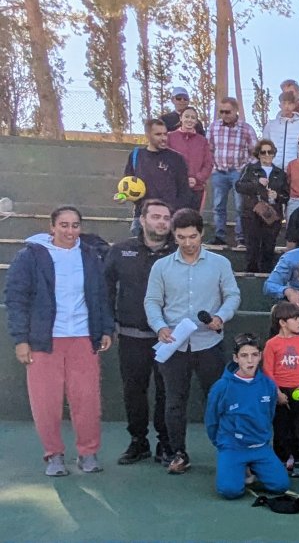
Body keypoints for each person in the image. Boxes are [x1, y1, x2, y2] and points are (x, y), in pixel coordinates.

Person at [7, 206, 114, 476]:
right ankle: (53, 455)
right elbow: (16, 299)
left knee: (87, 400)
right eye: (64, 225)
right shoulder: (29, 256)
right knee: (45, 401)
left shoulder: (90, 255)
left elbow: (101, 296)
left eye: (75, 225)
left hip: (82, 337)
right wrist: (21, 339)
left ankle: (88, 453)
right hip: (43, 341)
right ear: (52, 227)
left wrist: (105, 329)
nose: (70, 231)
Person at [144, 208, 241, 475]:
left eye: (193, 236)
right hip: (173, 345)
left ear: (201, 234)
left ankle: (229, 451)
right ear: (174, 236)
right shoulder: (161, 267)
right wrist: (160, 326)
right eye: (181, 237)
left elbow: (232, 296)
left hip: (208, 343)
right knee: (174, 402)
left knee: (219, 399)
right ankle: (178, 453)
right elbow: (152, 301)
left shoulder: (220, 264)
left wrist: (220, 317)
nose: (188, 243)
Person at [104, 200, 175, 466]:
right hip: (131, 335)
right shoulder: (121, 251)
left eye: (166, 218)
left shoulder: (179, 252)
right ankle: (138, 442)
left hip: (168, 338)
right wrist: (107, 323)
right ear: (143, 220)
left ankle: (166, 444)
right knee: (134, 391)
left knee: (166, 392)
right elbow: (106, 289)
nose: (161, 222)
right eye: (156, 217)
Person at [204, 333, 290, 499]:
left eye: (254, 355)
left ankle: (253, 467)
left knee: (281, 485)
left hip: (260, 447)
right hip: (233, 447)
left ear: (260, 357)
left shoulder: (268, 385)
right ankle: (237, 468)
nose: (250, 361)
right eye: (244, 355)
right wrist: (222, 445)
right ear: (236, 358)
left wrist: (263, 441)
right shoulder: (222, 387)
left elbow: (269, 414)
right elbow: (212, 420)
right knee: (230, 491)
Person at [262, 302, 299, 476]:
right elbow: (268, 370)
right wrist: (277, 393)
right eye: (295, 318)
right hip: (279, 391)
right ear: (282, 322)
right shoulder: (271, 344)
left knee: (298, 428)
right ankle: (282, 459)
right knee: (281, 428)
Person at [208, 97, 257, 246]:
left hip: (238, 172)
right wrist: (212, 166)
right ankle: (219, 236)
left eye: (227, 111)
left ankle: (241, 237)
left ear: (236, 110)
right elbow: (208, 148)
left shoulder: (246, 128)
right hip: (219, 172)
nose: (224, 115)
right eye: (221, 112)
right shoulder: (213, 127)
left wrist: (246, 168)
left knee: (240, 206)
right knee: (218, 206)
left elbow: (255, 151)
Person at [235, 139, 288, 273]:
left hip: (271, 215)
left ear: (274, 154)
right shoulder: (250, 169)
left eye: (269, 152)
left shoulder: (280, 173)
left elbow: (286, 195)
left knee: (268, 247)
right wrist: (256, 183)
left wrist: (277, 196)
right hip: (251, 214)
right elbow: (239, 186)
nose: (266, 154)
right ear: (258, 154)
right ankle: (250, 277)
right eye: (263, 152)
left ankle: (266, 276)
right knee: (252, 247)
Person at [125, 119, 191, 220]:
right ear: (147, 135)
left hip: (169, 218)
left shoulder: (177, 159)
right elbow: (127, 186)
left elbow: (184, 192)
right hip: (143, 217)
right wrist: (122, 196)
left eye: (165, 134)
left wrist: (174, 214)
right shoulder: (136, 156)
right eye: (158, 134)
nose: (163, 138)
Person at [166, 106, 213, 211]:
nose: (189, 120)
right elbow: (166, 161)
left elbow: (208, 163)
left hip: (196, 189)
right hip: (175, 188)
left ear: (196, 121)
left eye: (193, 118)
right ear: (181, 118)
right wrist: (182, 180)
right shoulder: (170, 137)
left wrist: (196, 179)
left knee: (192, 220)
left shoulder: (203, 141)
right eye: (187, 116)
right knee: (174, 220)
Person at [265, 85, 299, 169]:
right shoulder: (270, 125)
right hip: (273, 169)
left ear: (294, 105)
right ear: (279, 106)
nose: (286, 106)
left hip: (294, 168)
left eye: (290, 103)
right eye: (284, 103)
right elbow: (264, 146)